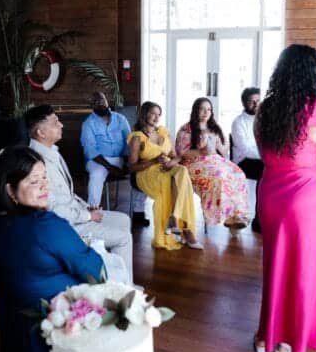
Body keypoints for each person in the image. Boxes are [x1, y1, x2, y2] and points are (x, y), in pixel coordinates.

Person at [0, 146, 104, 352]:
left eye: (45, 177)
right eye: (34, 180)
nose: (45, 185)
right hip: (53, 335)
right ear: (10, 190)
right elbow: (96, 272)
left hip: (13, 331)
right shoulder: (46, 225)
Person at [253, 44, 316, 352]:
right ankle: (289, 340)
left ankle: (266, 337)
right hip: (307, 198)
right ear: (314, 75)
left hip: (271, 194)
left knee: (275, 266)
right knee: (303, 270)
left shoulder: (265, 109)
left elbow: (264, 153)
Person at [26, 105, 133, 277]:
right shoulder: (37, 162)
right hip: (65, 225)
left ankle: (114, 277)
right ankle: (122, 290)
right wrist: (88, 216)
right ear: (41, 132)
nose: (61, 125)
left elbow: (67, 195)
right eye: (55, 122)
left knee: (123, 220)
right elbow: (52, 209)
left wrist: (87, 207)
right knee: (124, 238)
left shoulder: (51, 151)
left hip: (75, 213)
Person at [127, 102, 202, 250]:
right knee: (176, 183)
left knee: (182, 172)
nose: (157, 117)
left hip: (167, 168)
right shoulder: (137, 138)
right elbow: (132, 167)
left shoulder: (163, 132)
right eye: (153, 113)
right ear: (144, 114)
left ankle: (174, 217)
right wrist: (154, 160)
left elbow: (175, 156)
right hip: (146, 173)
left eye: (159, 114)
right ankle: (187, 232)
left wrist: (170, 161)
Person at [176, 97, 249, 230]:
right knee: (218, 176)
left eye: (209, 109)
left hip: (215, 161)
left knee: (238, 173)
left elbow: (223, 149)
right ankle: (225, 216)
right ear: (195, 110)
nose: (206, 112)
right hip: (194, 163)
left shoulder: (214, 127)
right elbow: (181, 152)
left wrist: (221, 147)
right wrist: (201, 151)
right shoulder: (186, 129)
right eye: (202, 109)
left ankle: (236, 215)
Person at [80, 91, 147, 222]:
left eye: (101, 100)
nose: (99, 104)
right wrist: (110, 167)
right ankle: (92, 211)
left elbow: (130, 141)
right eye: (95, 102)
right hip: (97, 160)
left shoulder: (120, 119)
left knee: (140, 169)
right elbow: (90, 150)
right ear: (91, 106)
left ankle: (139, 212)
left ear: (107, 100)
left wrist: (130, 162)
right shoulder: (88, 124)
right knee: (97, 174)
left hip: (119, 158)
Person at [231, 87, 263, 232]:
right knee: (265, 172)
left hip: (261, 158)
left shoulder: (265, 119)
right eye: (252, 102)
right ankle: (259, 219)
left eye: (258, 101)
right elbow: (246, 149)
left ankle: (271, 216)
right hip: (243, 161)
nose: (256, 104)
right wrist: (267, 156)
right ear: (244, 103)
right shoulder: (238, 122)